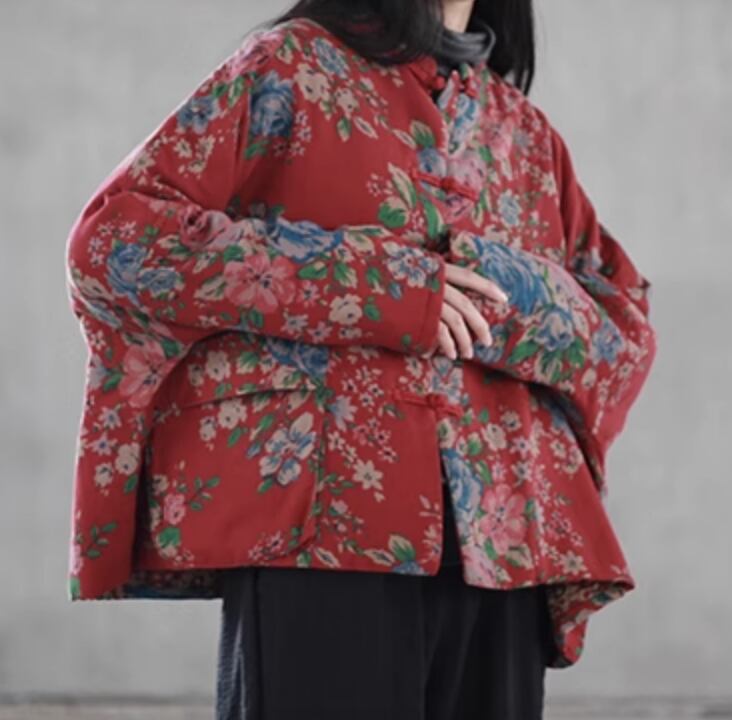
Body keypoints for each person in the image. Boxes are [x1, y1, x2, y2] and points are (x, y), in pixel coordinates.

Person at [63, 0, 658, 718]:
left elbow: (622, 335)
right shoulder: (290, 68)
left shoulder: (524, 133)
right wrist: (384, 287)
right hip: (325, 531)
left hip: (508, 549)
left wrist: (499, 292)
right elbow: (115, 244)